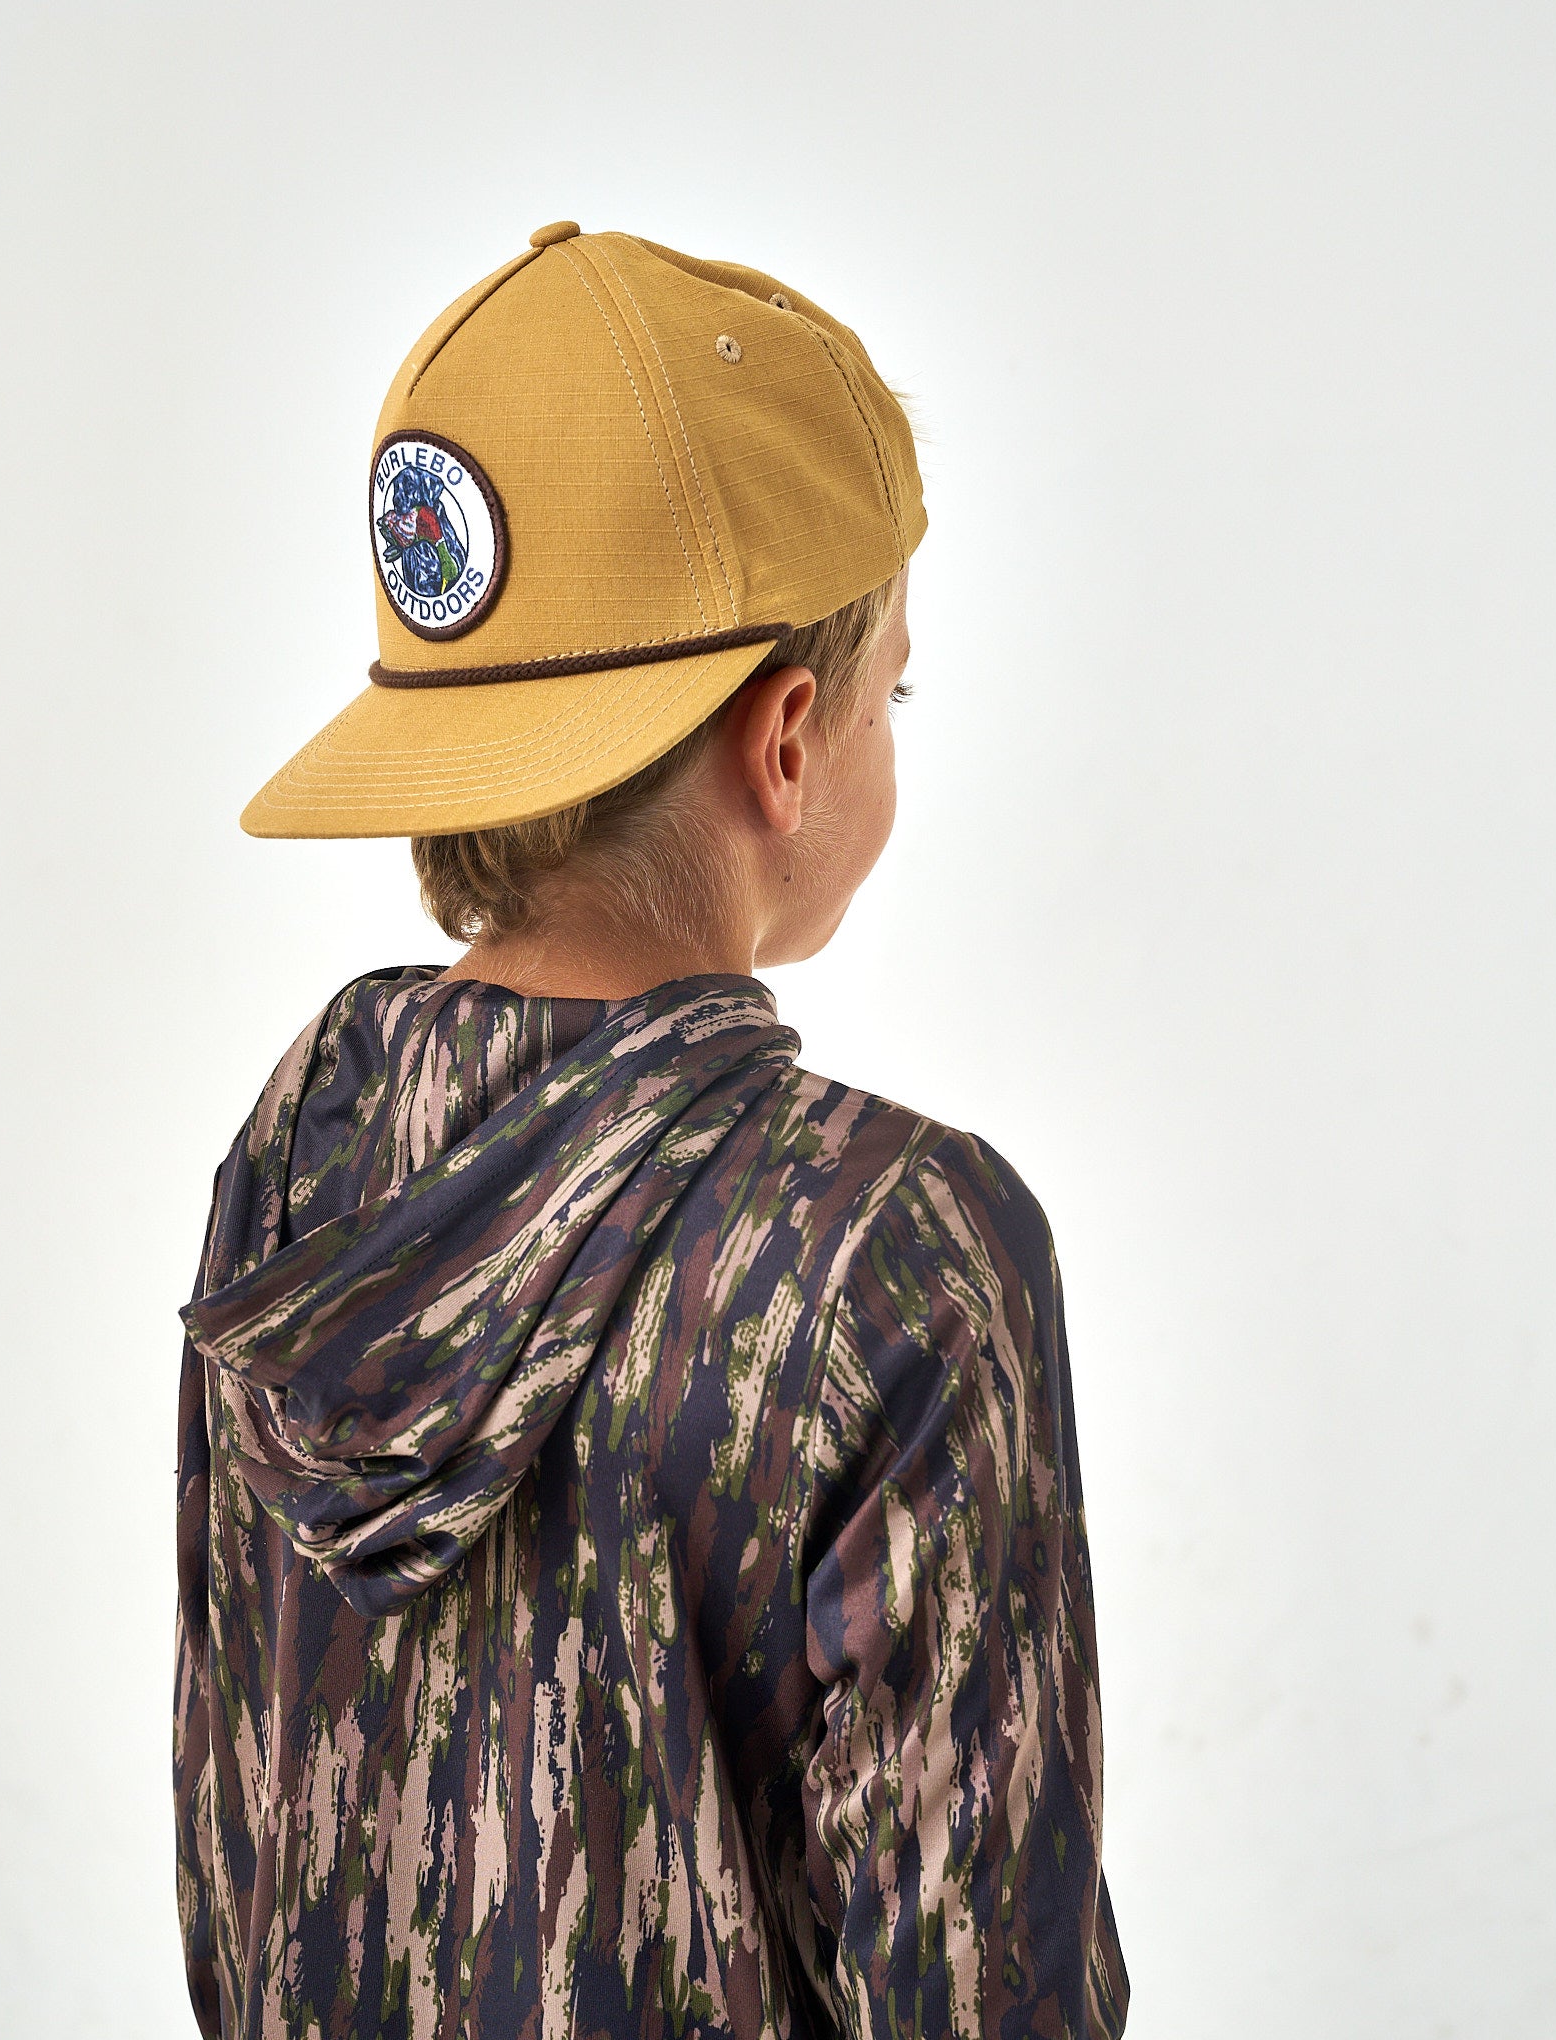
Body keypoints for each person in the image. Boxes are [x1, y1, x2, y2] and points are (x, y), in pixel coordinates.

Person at [174, 221, 1128, 2039]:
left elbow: (239, 1853)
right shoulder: (897, 1247)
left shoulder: (308, 1144)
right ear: (788, 740)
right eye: (894, 689)